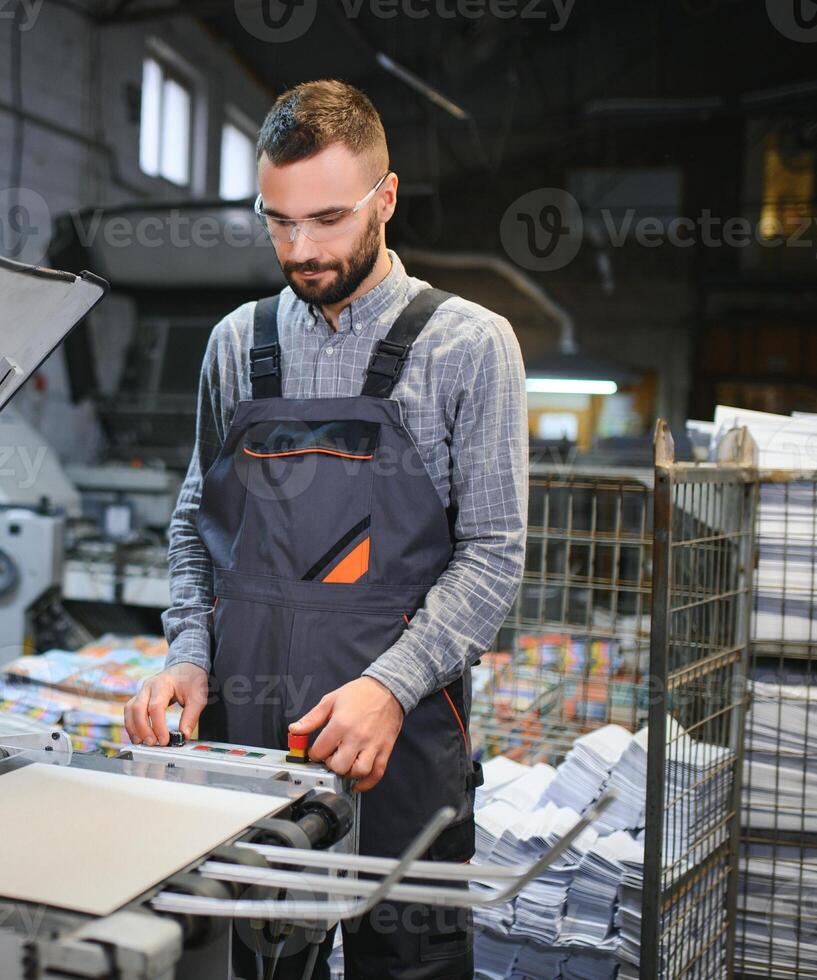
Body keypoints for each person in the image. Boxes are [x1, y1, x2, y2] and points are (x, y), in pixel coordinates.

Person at [123, 79, 529, 979]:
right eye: (278, 222)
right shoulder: (237, 343)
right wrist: (187, 652)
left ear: (385, 199)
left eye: (328, 219)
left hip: (403, 740)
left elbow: (495, 557)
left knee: (406, 962)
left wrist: (389, 687)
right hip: (242, 736)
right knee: (253, 960)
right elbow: (197, 520)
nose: (301, 250)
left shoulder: (466, 345)